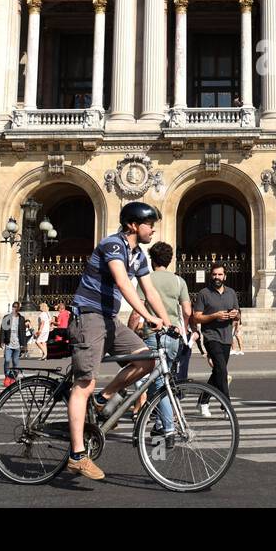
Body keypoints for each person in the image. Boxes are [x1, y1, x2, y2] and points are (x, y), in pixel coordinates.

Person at [66, 201, 170, 483]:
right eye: (150, 224)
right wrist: (148, 317)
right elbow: (124, 284)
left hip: (109, 319)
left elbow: (151, 291)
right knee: (84, 383)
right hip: (88, 316)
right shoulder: (113, 245)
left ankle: (104, 399)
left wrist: (170, 321)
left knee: (147, 359)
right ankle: (77, 456)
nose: (153, 229)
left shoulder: (139, 256)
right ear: (133, 225)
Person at [140, 241, 192, 441]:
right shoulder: (179, 281)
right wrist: (184, 329)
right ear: (170, 260)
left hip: (153, 335)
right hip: (174, 335)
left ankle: (167, 428)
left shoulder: (147, 279)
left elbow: (138, 311)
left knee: (158, 383)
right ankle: (161, 424)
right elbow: (187, 311)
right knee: (165, 379)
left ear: (152, 259)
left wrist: (130, 329)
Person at [192, 261, 240, 417]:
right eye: (214, 274)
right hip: (211, 337)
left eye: (220, 274)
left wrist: (235, 315)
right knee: (222, 370)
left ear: (225, 276)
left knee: (218, 371)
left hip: (226, 337)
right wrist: (214, 315)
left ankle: (203, 401)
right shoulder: (204, 293)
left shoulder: (231, 293)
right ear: (210, 275)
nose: (217, 277)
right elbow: (196, 317)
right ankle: (226, 406)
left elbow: (238, 313)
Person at [0, 302, 24, 378]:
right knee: (7, 360)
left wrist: (24, 344)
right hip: (8, 343)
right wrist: (1, 341)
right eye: (14, 307)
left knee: (15, 362)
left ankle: (14, 377)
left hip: (17, 344)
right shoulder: (6, 317)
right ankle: (7, 376)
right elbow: (2, 330)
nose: (15, 308)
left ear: (19, 308)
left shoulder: (21, 318)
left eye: (16, 307)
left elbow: (23, 332)